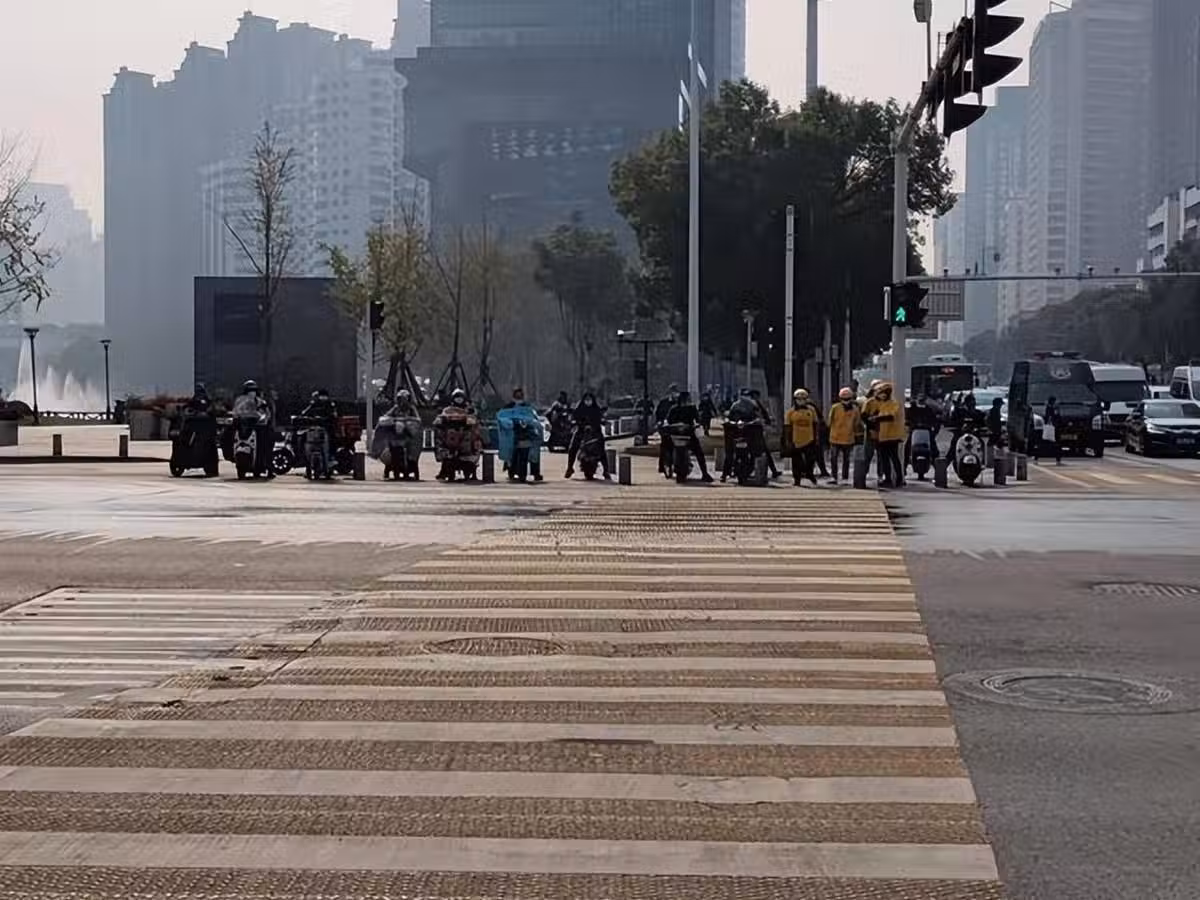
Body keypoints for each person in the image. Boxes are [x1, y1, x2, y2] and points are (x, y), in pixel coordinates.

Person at [665, 390, 714, 482]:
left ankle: (704, 473)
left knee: (699, 452)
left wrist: (698, 424)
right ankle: (668, 466)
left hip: (687, 435)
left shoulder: (689, 408)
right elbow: (668, 421)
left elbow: (697, 420)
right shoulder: (675, 409)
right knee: (667, 448)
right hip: (678, 435)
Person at [565, 390, 611, 480]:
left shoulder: (596, 409)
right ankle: (570, 468)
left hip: (595, 431)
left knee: (601, 448)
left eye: (590, 399)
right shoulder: (579, 409)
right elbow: (574, 417)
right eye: (586, 399)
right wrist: (576, 423)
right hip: (581, 431)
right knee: (572, 448)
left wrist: (602, 422)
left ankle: (606, 471)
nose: (588, 401)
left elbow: (600, 418)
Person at [868, 382, 905, 488]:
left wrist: (876, 418)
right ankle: (887, 479)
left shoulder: (894, 404)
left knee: (894, 458)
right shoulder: (882, 405)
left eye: (881, 393)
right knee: (885, 459)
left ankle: (899, 479)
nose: (880, 395)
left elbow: (890, 416)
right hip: (883, 436)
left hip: (893, 436)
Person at [722, 388, 763, 482]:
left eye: (747, 395)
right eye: (744, 395)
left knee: (756, 450)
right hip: (736, 433)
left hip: (748, 432)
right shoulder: (735, 406)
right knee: (729, 452)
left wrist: (756, 422)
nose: (745, 397)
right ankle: (724, 474)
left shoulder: (753, 406)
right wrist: (729, 422)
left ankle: (756, 470)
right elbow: (729, 417)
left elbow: (758, 417)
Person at [828, 387, 863, 485]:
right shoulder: (835, 408)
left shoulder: (855, 409)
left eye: (847, 399)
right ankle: (834, 476)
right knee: (834, 458)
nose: (846, 401)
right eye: (844, 399)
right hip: (835, 437)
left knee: (846, 459)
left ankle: (844, 477)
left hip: (848, 438)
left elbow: (857, 423)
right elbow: (829, 421)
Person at [785, 389, 820, 486]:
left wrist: (816, 438)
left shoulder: (811, 410)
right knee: (796, 462)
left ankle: (809, 474)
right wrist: (788, 441)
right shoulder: (790, 412)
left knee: (810, 460)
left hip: (809, 439)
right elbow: (787, 427)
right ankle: (797, 480)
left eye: (803, 399)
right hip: (796, 440)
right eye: (799, 399)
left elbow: (815, 424)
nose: (801, 401)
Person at [749, 389, 781, 479]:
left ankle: (773, 471)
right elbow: (762, 416)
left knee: (761, 452)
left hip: (757, 431)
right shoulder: (754, 405)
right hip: (755, 432)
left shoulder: (755, 404)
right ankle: (772, 471)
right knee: (761, 452)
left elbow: (764, 416)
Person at [655, 384, 680, 475]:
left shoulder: (680, 403)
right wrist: (659, 422)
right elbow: (658, 413)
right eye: (672, 391)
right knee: (664, 446)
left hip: (676, 428)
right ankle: (662, 466)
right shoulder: (663, 402)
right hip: (665, 428)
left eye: (675, 391)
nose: (674, 393)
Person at [1036, 396, 1063, 465]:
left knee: (1045, 444)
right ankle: (1058, 460)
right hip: (1052, 429)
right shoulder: (1051, 409)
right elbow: (1052, 418)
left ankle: (1058, 460)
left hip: (1051, 428)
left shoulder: (1049, 408)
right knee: (1055, 445)